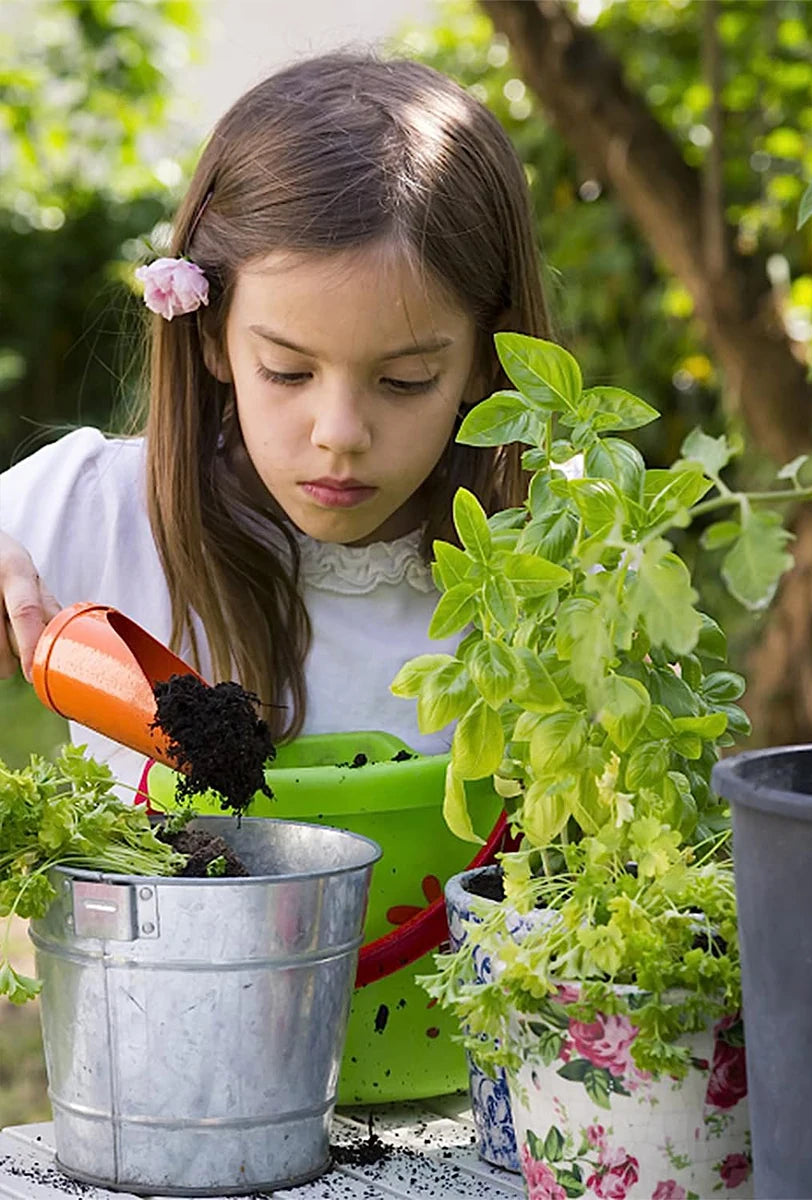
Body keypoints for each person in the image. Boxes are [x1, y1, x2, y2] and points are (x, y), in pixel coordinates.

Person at [0, 51, 551, 790]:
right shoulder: (94, 511)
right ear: (211, 334)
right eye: (288, 372)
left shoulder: (546, 574)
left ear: (489, 358)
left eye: (404, 380)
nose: (339, 432)